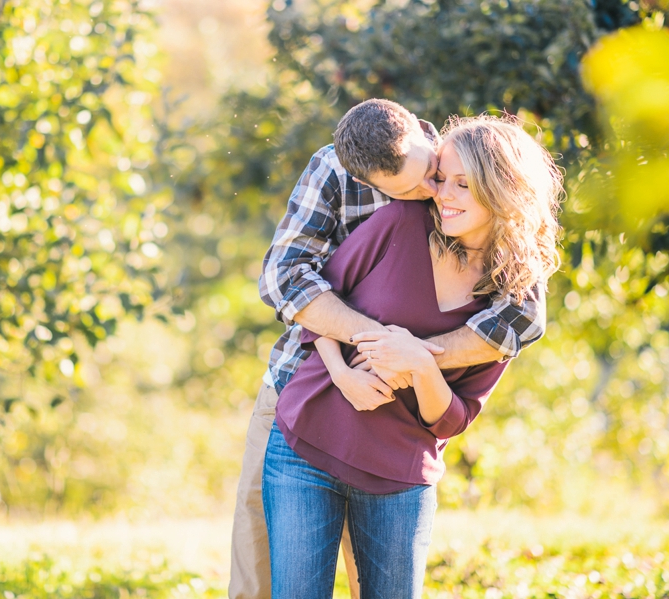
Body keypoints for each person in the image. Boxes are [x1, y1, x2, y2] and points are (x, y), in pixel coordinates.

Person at [229, 100, 548, 599]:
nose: (431, 195)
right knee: (261, 573)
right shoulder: (347, 178)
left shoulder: (463, 167)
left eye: (433, 176)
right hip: (304, 384)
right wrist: (358, 357)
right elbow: (287, 282)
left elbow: (522, 320)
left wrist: (419, 359)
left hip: (396, 442)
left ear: (428, 144)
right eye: (407, 191)